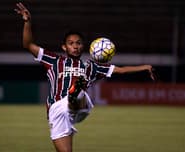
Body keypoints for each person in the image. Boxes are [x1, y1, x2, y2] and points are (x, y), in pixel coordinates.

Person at [14, 2, 156, 152]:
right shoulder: (54, 60)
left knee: (80, 84)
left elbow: (121, 70)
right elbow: (28, 45)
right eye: (71, 43)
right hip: (57, 111)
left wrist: (144, 67)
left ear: (83, 46)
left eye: (79, 43)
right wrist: (27, 21)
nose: (75, 46)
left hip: (79, 104)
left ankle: (74, 97)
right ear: (64, 47)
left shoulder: (90, 66)